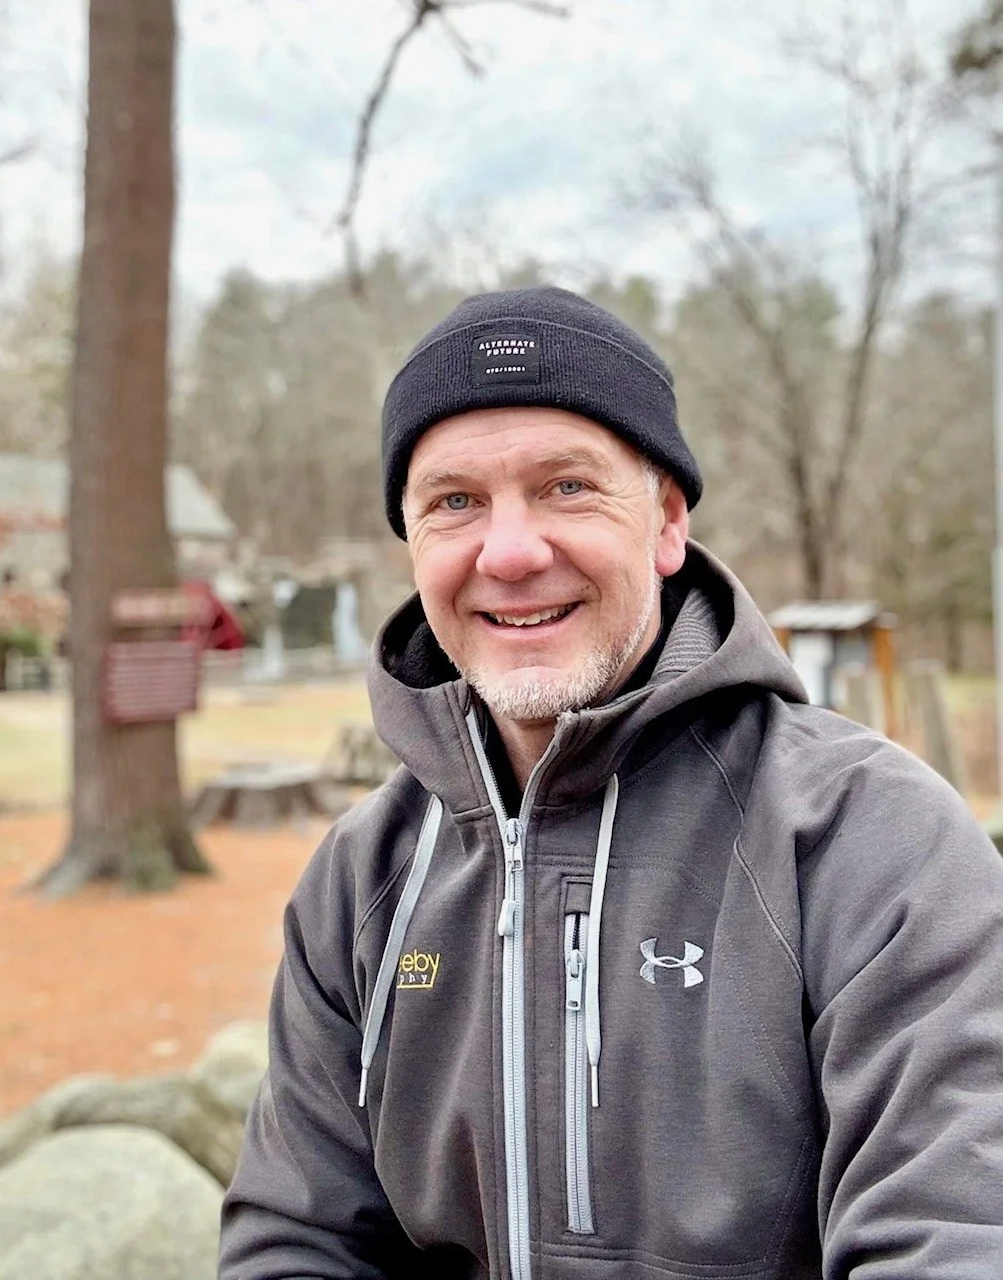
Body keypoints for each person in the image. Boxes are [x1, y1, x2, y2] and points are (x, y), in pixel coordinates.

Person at [219, 287, 1003, 1279]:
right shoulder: (360, 883)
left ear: (666, 521)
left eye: (564, 486)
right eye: (454, 501)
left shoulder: (871, 842)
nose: (509, 551)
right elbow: (295, 1243)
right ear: (412, 543)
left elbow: (957, 1237)